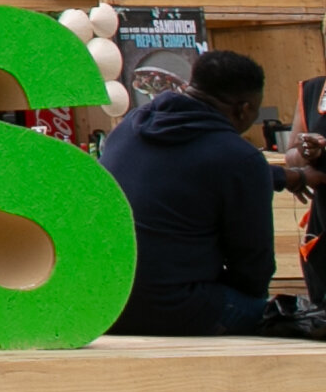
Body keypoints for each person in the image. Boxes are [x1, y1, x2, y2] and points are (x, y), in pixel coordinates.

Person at [102, 48, 326, 338]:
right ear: (244, 109)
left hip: (106, 304)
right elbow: (253, 269)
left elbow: (190, 167)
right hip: (174, 308)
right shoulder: (238, 159)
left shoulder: (131, 126)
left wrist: (285, 176)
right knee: (287, 315)